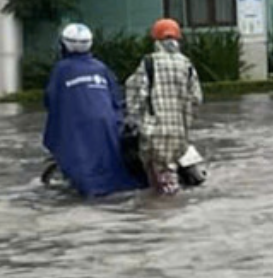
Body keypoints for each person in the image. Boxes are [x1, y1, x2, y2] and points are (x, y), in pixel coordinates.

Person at [42, 22, 135, 199]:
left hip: (76, 126)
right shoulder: (101, 67)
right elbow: (117, 100)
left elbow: (50, 100)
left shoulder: (61, 70)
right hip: (107, 125)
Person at [130, 18, 203, 193]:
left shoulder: (148, 63)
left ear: (156, 41)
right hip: (179, 135)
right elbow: (197, 98)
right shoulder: (187, 65)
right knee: (171, 177)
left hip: (154, 133)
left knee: (158, 185)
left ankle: (159, 212)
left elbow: (137, 95)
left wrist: (135, 120)